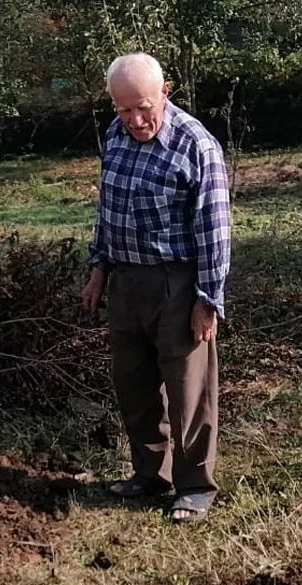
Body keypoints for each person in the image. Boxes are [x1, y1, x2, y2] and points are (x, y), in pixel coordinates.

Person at [81, 52, 232, 524]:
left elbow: (215, 230)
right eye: (123, 110)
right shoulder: (115, 137)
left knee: (188, 390)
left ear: (165, 93)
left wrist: (208, 300)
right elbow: (109, 210)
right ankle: (150, 473)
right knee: (135, 384)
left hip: (178, 282)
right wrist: (99, 270)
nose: (135, 119)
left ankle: (195, 486)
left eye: (143, 107)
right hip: (126, 280)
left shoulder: (196, 146)